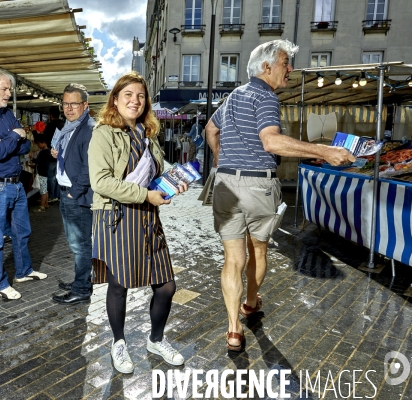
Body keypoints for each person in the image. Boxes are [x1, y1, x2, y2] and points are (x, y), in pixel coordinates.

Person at [205, 39, 355, 352]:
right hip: (259, 187)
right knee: (258, 251)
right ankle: (250, 302)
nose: (290, 69)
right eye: (285, 63)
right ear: (266, 67)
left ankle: (233, 330)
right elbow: (271, 143)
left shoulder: (233, 96)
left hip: (225, 185)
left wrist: (220, 158)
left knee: (233, 258)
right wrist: (324, 151)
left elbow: (210, 129)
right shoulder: (267, 96)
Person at [88, 72, 185, 374]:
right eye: (128, 94)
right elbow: (101, 181)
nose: (135, 100)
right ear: (115, 99)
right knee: (119, 286)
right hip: (117, 216)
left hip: (146, 217)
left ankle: (155, 340)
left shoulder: (148, 133)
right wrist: (146, 194)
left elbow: (157, 170)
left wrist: (174, 181)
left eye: (141, 96)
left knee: (166, 286)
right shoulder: (103, 133)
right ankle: (118, 343)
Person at [0, 68, 47, 301]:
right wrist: (14, 136)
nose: (8, 94)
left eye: (9, 89)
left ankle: (23, 271)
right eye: (4, 89)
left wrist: (9, 139)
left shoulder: (5, 114)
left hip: (15, 183)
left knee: (22, 231)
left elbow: (27, 146)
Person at [50, 83, 96, 305]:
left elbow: (90, 166)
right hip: (66, 191)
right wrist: (58, 153)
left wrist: (74, 193)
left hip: (76, 196)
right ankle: (82, 280)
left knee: (81, 245)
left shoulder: (88, 128)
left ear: (85, 105)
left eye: (74, 104)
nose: (68, 108)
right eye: (65, 103)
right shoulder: (71, 126)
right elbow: (72, 155)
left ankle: (81, 289)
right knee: (76, 244)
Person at [43, 106, 65, 202]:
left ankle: (52, 196)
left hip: (51, 154)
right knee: (60, 175)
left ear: (51, 115)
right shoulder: (64, 124)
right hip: (63, 155)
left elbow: (45, 139)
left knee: (51, 176)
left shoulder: (49, 126)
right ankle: (60, 195)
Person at [31, 134, 51, 212]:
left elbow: (41, 162)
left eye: (38, 144)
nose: (38, 145)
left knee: (43, 190)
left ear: (42, 142)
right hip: (45, 173)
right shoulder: (47, 151)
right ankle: (46, 204)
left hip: (43, 173)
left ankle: (42, 205)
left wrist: (34, 161)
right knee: (45, 190)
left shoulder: (44, 152)